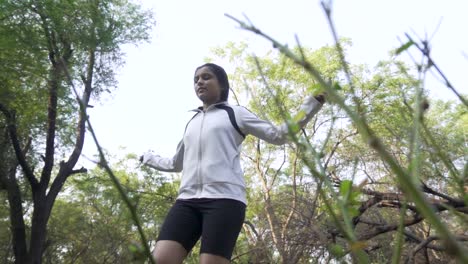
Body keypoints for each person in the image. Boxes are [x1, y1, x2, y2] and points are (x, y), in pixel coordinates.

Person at [140, 63, 325, 264]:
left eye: (206, 77)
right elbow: (176, 163)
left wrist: (312, 103)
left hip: (224, 201)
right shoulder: (191, 122)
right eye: (196, 79)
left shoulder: (235, 113)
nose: (199, 82)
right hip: (187, 201)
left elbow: (278, 135)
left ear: (221, 84)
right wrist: (148, 158)